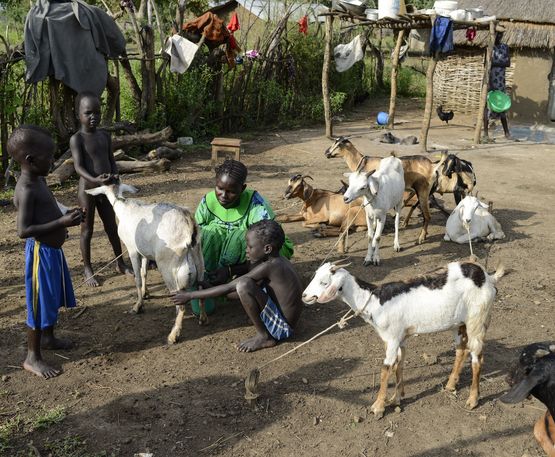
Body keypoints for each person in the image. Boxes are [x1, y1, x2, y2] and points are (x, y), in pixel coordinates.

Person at [9, 125, 83, 378]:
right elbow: (24, 230)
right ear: (30, 160)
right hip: (40, 253)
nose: (53, 161)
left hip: (52, 252)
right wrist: (61, 224)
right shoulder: (26, 188)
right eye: (49, 157)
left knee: (51, 297)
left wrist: (66, 214)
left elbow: (49, 206)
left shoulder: (38, 178)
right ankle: (33, 357)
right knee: (38, 304)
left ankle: (49, 337)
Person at [172, 220, 303, 352]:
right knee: (244, 283)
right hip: (285, 321)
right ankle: (264, 328)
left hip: (282, 328)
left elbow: (231, 287)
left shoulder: (270, 267)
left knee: (244, 285)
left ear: (267, 248)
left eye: (250, 247)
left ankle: (265, 337)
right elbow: (236, 284)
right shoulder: (277, 261)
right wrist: (221, 278)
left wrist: (190, 295)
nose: (246, 250)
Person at [195, 159, 293, 287]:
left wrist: (230, 270)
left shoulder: (256, 204)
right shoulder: (207, 201)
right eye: (219, 188)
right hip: (230, 254)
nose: (223, 195)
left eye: (231, 191)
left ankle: (241, 280)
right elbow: (195, 238)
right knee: (209, 233)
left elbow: (269, 248)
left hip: (258, 253)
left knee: (239, 238)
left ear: (242, 188)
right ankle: (210, 277)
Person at [70, 91, 132, 286]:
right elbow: (79, 167)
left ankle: (120, 262)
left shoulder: (104, 135)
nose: (93, 117)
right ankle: (88, 268)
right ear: (78, 114)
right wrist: (95, 179)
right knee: (86, 230)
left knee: (112, 227)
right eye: (88, 113)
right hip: (87, 190)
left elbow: (111, 160)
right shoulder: (77, 139)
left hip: (106, 189)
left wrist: (115, 176)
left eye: (97, 112)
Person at [483, 31, 513, 141]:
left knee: (502, 106)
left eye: (500, 35)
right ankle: (485, 133)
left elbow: (508, 63)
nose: (498, 37)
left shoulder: (505, 47)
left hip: (500, 81)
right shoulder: (489, 48)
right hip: (490, 80)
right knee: (486, 107)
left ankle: (507, 133)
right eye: (497, 35)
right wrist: (489, 83)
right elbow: (486, 65)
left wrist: (493, 63)